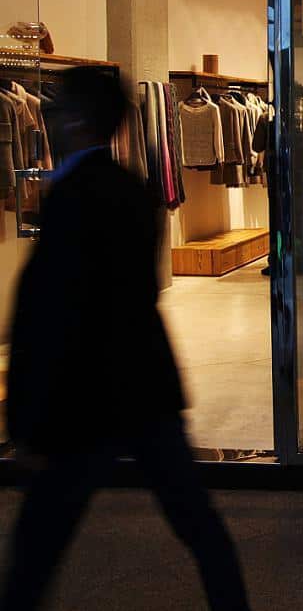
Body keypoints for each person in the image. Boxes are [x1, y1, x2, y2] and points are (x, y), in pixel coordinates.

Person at [2, 68, 250, 610]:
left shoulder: (76, 195)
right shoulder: (129, 190)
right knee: (195, 521)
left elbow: (53, 315)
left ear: (79, 120)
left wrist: (30, 413)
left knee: (38, 544)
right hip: (141, 386)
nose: (48, 119)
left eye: (57, 110)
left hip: (85, 400)